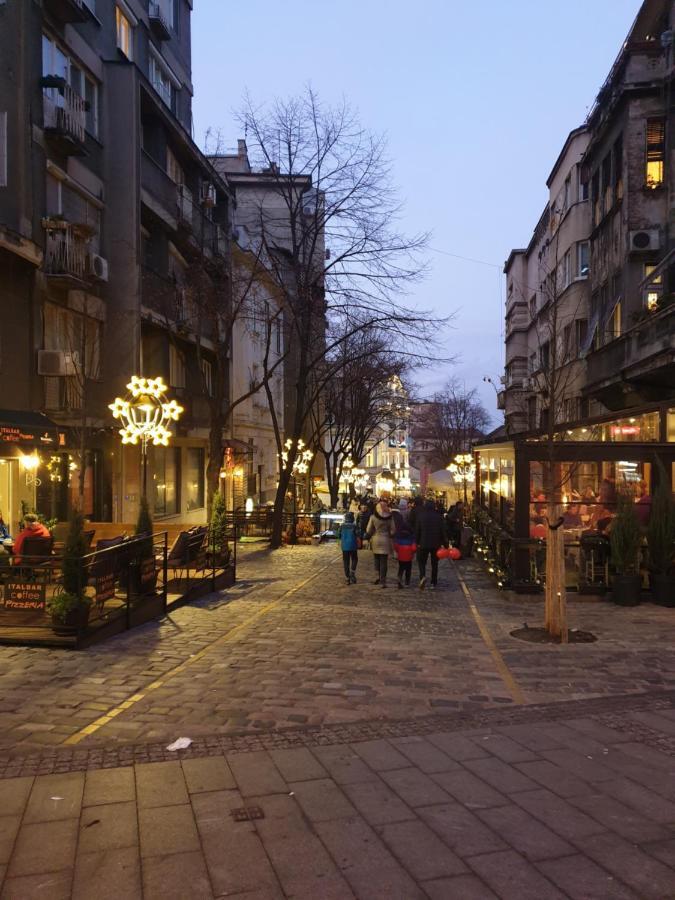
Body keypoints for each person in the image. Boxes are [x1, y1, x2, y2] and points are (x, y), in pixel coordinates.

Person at [415, 499, 449, 591]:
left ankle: (422, 577)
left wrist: (416, 542)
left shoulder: (421, 516)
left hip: (423, 543)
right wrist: (446, 544)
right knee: (435, 564)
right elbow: (443, 531)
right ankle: (433, 582)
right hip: (436, 544)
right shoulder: (439, 517)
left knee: (422, 562)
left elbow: (417, 530)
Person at [366, 499, 395, 587]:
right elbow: (393, 530)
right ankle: (383, 579)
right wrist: (389, 534)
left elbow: (368, 530)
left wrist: (371, 534)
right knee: (384, 561)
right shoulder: (390, 517)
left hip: (376, 539)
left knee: (376, 559)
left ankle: (376, 577)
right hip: (385, 540)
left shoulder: (373, 517)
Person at [393, 510, 416, 588]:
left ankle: (399, 578)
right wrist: (413, 552)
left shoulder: (399, 537)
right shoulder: (411, 538)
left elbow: (396, 546)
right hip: (408, 557)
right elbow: (413, 548)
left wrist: (397, 551)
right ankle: (407, 582)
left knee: (401, 568)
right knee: (408, 570)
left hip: (401, 556)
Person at [339, 511, 361, 584]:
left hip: (345, 546)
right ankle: (352, 572)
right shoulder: (354, 526)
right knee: (354, 559)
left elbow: (338, 534)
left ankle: (347, 577)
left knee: (346, 561)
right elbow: (358, 534)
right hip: (353, 545)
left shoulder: (342, 526)